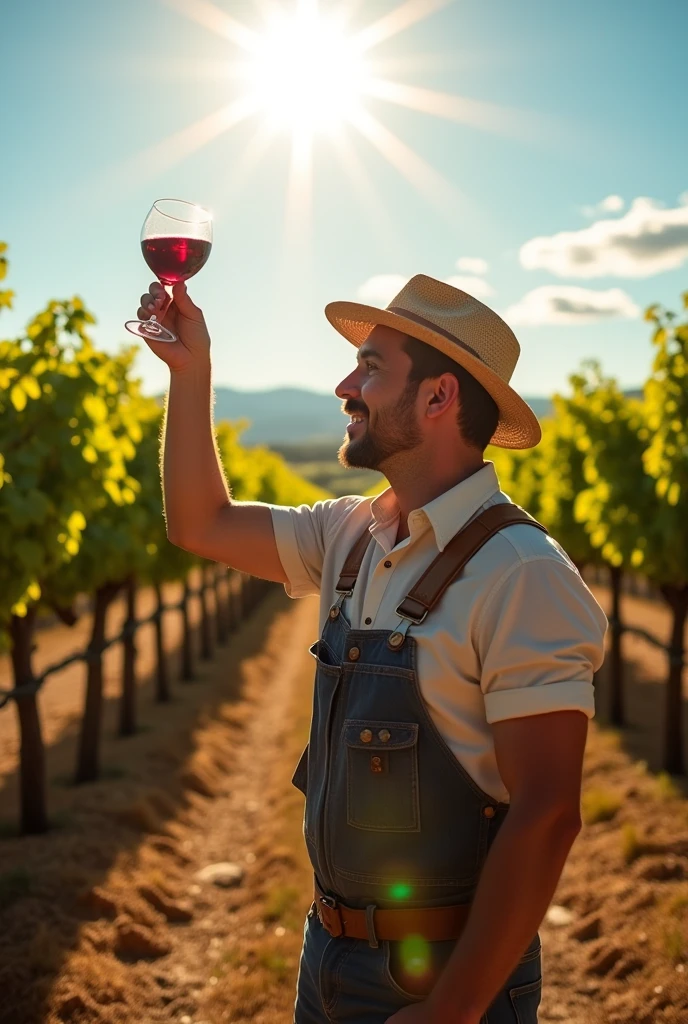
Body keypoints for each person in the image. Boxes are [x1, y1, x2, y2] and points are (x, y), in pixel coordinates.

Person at [135, 273, 607, 1024]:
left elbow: (548, 812)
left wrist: (452, 1009)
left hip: (444, 981)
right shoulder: (350, 533)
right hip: (327, 954)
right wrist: (192, 372)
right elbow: (201, 522)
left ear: (438, 397)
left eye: (372, 367)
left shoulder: (523, 573)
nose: (345, 385)